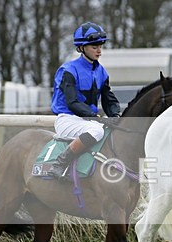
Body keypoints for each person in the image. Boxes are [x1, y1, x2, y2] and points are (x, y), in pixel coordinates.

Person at [47, 22, 121, 179]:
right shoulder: (68, 70)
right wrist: (98, 118)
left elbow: (109, 99)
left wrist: (116, 115)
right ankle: (59, 164)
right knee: (98, 130)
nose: (99, 50)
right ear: (82, 48)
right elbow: (72, 102)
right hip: (68, 119)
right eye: (95, 47)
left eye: (100, 46)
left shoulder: (101, 72)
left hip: (87, 121)